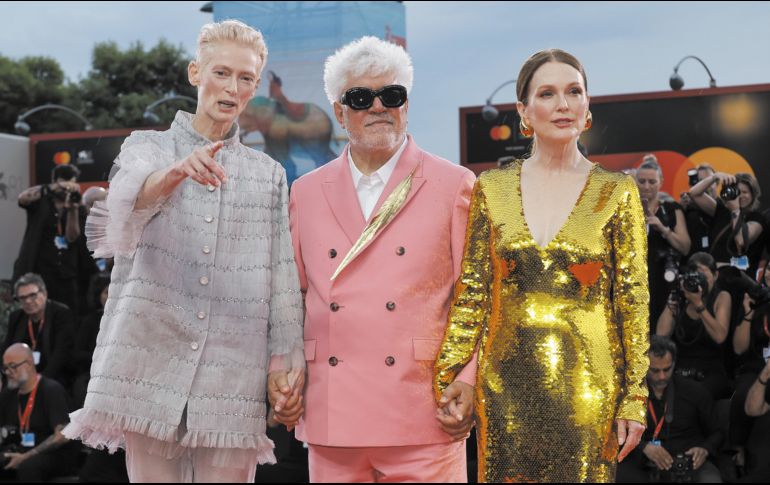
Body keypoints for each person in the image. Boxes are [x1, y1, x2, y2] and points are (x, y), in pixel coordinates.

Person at [62, 20, 305, 483]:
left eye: (246, 78)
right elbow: (122, 215)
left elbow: (281, 279)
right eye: (221, 73)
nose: (232, 88)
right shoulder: (147, 147)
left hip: (232, 376)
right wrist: (172, 174)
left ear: (256, 87)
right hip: (149, 362)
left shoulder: (268, 174)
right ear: (196, 73)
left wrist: (287, 366)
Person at [434, 49, 649, 483]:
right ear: (524, 111)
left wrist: (633, 397)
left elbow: (633, 302)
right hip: (505, 385)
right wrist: (453, 372)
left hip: (590, 387)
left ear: (587, 105)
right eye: (547, 94)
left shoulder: (618, 192)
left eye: (574, 92)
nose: (563, 105)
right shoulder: (490, 190)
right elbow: (473, 291)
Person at [289, 36, 477, 482]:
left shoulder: (454, 184)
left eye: (391, 95)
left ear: (406, 104)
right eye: (360, 98)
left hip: (425, 408)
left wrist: (468, 379)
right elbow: (291, 296)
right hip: (332, 412)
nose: (378, 107)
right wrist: (284, 370)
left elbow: (477, 298)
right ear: (339, 112)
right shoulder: (305, 192)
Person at [616, 336, 723, 483]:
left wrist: (704, 449)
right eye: (655, 370)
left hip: (689, 463)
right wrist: (642, 447)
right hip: (644, 464)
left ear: (674, 364)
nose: (661, 377)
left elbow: (717, 432)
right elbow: (615, 433)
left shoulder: (695, 391)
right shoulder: (629, 395)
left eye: (667, 369)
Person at [13, 164, 91, 315]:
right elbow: (22, 199)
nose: (66, 189)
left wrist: (73, 209)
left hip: (68, 272)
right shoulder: (41, 200)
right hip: (40, 269)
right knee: (40, 312)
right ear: (55, 182)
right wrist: (50, 189)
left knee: (68, 314)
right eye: (63, 184)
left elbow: (72, 237)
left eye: (70, 184)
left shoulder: (77, 205)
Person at [656, 252, 731, 399]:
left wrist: (699, 305)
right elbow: (661, 335)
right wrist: (673, 300)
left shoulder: (722, 297)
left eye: (703, 275)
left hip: (711, 367)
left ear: (715, 276)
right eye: (695, 275)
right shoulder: (682, 296)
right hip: (681, 365)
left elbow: (720, 336)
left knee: (695, 393)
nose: (699, 281)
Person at [0, 343, 78, 482]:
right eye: (5, 368)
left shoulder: (51, 389)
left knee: (29, 467)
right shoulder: (8, 394)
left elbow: (62, 436)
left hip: (53, 454)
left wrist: (26, 456)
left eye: (12, 366)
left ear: (29, 364)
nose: (7, 372)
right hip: (19, 448)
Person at [635, 155, 691, 331]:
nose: (646, 186)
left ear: (661, 182)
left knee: (662, 339)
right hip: (634, 284)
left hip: (664, 282)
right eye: (642, 181)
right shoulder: (625, 209)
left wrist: (664, 229)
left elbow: (685, 247)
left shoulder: (672, 210)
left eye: (652, 182)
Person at [3, 273, 75, 388]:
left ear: (45, 294)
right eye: (22, 298)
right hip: (21, 376)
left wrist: (37, 382)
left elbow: (60, 354)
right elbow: (7, 349)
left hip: (53, 375)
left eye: (32, 295)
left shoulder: (61, 314)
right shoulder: (17, 317)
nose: (28, 301)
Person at [689, 172, 764, 276]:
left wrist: (735, 210)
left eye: (745, 192)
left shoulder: (757, 218)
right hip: (715, 276)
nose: (740, 196)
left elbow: (741, 240)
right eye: (738, 191)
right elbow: (694, 193)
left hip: (739, 279)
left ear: (753, 194)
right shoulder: (721, 210)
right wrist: (714, 177)